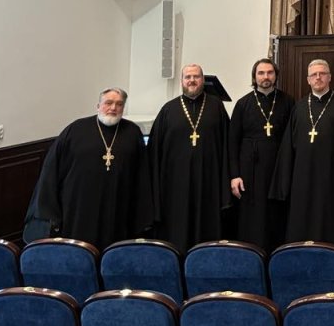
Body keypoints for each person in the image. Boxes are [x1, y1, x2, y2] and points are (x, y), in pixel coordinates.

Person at [23, 87, 151, 248]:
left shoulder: (132, 132)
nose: (113, 108)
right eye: (108, 103)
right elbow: (52, 170)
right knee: (78, 251)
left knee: (113, 248)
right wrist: (51, 211)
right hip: (78, 207)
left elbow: (141, 175)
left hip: (117, 205)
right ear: (98, 106)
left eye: (119, 104)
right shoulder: (75, 130)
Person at [270, 59, 334, 245]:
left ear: (329, 77)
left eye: (322, 73)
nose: (318, 77)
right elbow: (288, 145)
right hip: (302, 176)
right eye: (314, 74)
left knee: (329, 218)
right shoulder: (299, 107)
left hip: (331, 175)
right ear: (308, 80)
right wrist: (284, 179)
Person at [147, 63, 232, 251]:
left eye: (196, 76)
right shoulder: (168, 110)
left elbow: (228, 145)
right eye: (188, 77)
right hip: (174, 185)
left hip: (209, 181)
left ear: (203, 80)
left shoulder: (216, 107)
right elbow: (154, 152)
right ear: (182, 81)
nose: (192, 80)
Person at [229, 58, 295, 250]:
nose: (266, 77)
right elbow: (232, 142)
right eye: (261, 73)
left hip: (278, 169)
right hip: (250, 171)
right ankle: (251, 254)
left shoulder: (288, 102)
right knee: (252, 216)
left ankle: (277, 255)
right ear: (254, 77)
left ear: (276, 76)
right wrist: (234, 175)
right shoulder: (243, 104)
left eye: (270, 72)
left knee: (277, 214)